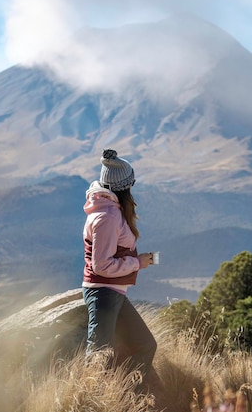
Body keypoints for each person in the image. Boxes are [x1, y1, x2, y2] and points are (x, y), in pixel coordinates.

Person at [82, 148, 157, 392]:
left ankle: (123, 396)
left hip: (113, 294)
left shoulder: (108, 211)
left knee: (145, 344)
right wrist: (138, 263)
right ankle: (92, 400)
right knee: (98, 356)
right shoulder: (107, 216)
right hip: (103, 294)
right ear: (124, 187)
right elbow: (101, 265)